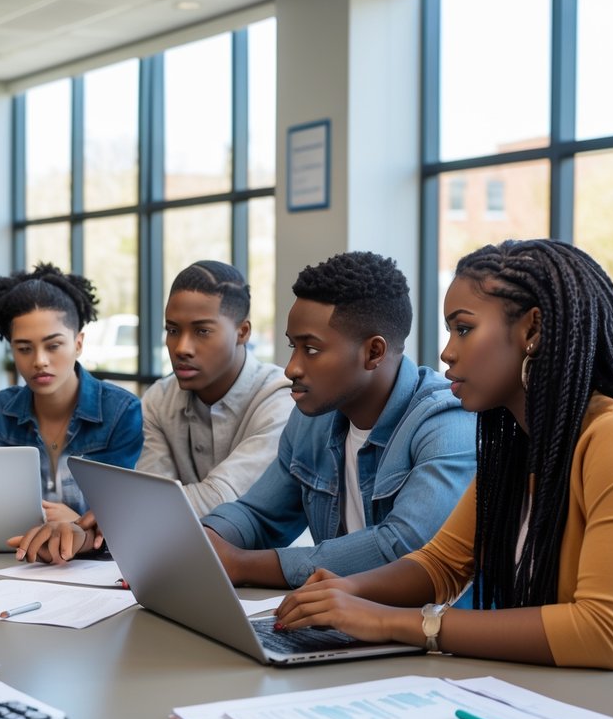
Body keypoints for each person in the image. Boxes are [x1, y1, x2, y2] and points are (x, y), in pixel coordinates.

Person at [275, 239, 613, 678]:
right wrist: (345, 594)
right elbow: (441, 564)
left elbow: (604, 632)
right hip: (573, 700)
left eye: (463, 329)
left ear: (532, 331)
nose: (447, 352)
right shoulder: (520, 443)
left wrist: (394, 621)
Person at [199, 251, 477, 588]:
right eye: (292, 347)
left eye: (311, 350)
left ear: (373, 352)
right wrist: (202, 541)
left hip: (429, 634)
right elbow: (258, 515)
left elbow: (404, 547)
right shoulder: (311, 420)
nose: (292, 368)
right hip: (340, 627)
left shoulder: (447, 422)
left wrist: (242, 564)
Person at [0, 263, 142, 525]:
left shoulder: (121, 412)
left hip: (98, 562)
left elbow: (126, 520)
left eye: (53, 346)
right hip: (17, 558)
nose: (39, 361)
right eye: (24, 348)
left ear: (78, 344)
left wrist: (77, 526)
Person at [136, 260, 292, 515]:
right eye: (173, 330)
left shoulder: (280, 401)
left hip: (268, 554)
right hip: (178, 551)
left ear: (242, 332)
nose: (181, 348)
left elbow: (222, 500)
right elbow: (152, 497)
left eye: (202, 331)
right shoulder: (158, 399)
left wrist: (133, 508)